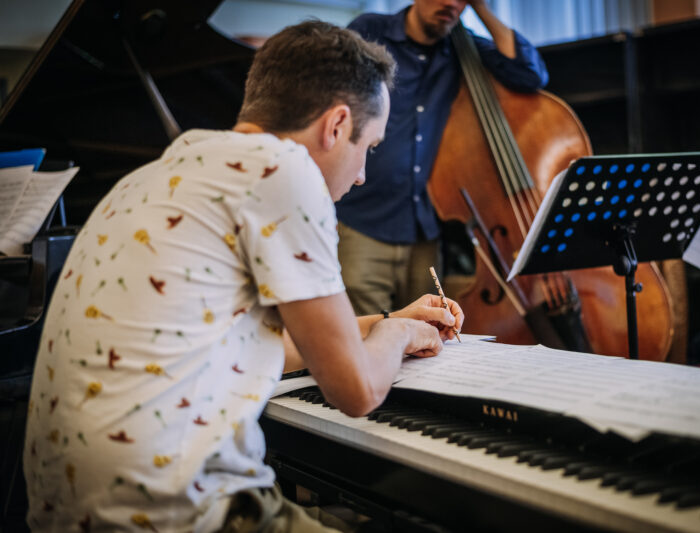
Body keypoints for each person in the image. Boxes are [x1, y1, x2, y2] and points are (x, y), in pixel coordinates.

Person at [23, 21, 464, 533]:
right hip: (172, 515)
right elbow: (358, 391)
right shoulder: (285, 172)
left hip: (64, 510)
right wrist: (398, 333)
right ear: (337, 125)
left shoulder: (154, 174)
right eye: (368, 147)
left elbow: (261, 345)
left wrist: (387, 319)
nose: (363, 174)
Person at [336, 0, 550, 316]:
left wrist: (481, 9)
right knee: (367, 339)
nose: (451, 2)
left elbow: (529, 74)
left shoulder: (462, 48)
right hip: (362, 222)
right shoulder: (370, 30)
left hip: (425, 228)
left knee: (425, 339)